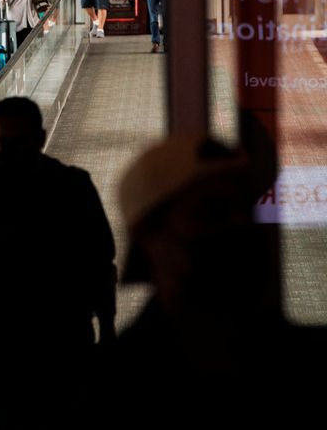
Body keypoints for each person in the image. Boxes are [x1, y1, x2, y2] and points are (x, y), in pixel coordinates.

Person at [112, 131, 327, 423]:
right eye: (213, 212)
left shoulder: (121, 378)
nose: (240, 226)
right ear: (150, 239)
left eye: (249, 210)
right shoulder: (111, 389)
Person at [0, 97, 117, 427]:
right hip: (10, 337)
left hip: (62, 336)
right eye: (0, 144)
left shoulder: (71, 186)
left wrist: (107, 328)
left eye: (16, 143)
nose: (7, 153)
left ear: (40, 138)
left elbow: (101, 259)